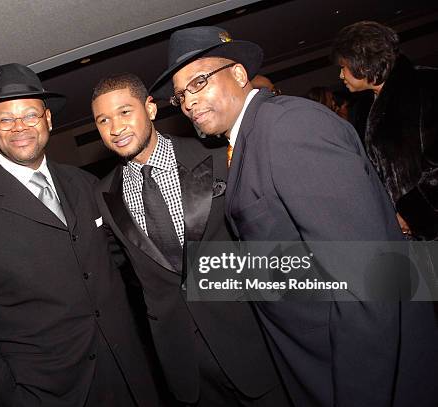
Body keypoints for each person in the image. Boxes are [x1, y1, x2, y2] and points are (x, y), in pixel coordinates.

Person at [149, 25, 438, 407]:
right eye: (181, 96)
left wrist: (359, 393)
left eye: (198, 83)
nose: (188, 103)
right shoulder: (249, 138)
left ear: (238, 74)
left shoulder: (287, 127)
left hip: (360, 369)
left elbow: (370, 276)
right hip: (320, 360)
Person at [0, 63, 161, 407]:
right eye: (6, 119)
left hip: (129, 376)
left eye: (31, 115)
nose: (20, 127)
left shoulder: (85, 185)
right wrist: (7, 394)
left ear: (48, 120)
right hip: (47, 392)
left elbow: (119, 260)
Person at [91, 73, 288, 407]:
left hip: (251, 340)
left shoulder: (214, 155)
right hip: (184, 364)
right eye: (104, 120)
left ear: (150, 109)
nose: (116, 127)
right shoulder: (103, 193)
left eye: (125, 112)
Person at [333, 20, 438, 240]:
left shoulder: (427, 86)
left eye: (343, 67)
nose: (341, 76)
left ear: (362, 63)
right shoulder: (363, 108)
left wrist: (412, 214)